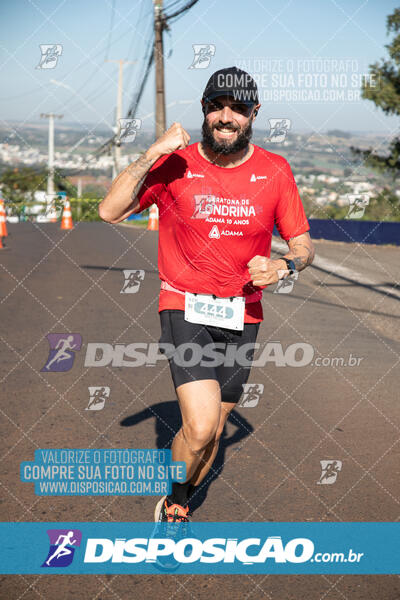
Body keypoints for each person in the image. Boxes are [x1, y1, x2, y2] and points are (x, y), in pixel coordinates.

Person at [99, 67, 315, 529]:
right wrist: (151, 154)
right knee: (198, 426)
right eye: (217, 106)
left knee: (214, 430)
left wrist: (284, 265)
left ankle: (184, 489)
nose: (226, 116)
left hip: (244, 312)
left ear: (253, 114)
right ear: (204, 109)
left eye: (237, 109)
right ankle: (175, 503)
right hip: (184, 303)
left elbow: (303, 243)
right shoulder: (175, 164)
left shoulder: (275, 170)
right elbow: (109, 211)